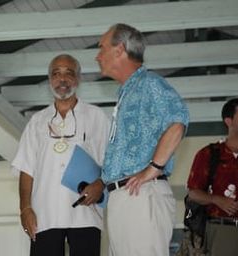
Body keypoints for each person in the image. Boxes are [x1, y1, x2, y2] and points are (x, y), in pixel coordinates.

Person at [83, 23, 189, 256]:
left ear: (120, 49)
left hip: (140, 195)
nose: (97, 55)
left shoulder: (149, 83)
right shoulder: (127, 91)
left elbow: (177, 123)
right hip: (123, 197)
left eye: (101, 47)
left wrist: (153, 169)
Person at [12, 54, 109, 256]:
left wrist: (100, 184)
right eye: (56, 74)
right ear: (49, 80)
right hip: (44, 216)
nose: (62, 80)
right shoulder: (37, 121)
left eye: (69, 73)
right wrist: (25, 209)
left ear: (78, 79)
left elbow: (111, 161)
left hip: (86, 214)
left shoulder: (96, 116)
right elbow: (26, 169)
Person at [186, 98, 238, 256]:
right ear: (228, 121)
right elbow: (193, 193)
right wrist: (217, 199)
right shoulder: (209, 153)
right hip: (223, 230)